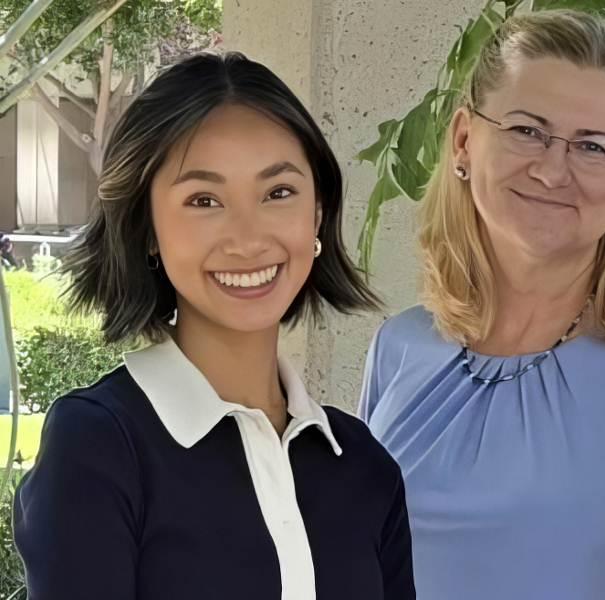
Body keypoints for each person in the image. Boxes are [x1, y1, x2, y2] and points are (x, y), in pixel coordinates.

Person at [359, 10, 605, 600]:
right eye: (526, 131)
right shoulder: (400, 347)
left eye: (592, 146)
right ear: (464, 140)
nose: (551, 170)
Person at [14, 52, 415, 600]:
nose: (247, 239)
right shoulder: (99, 448)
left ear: (317, 215)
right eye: (204, 200)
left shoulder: (364, 466)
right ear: (147, 230)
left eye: (278, 193)